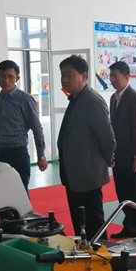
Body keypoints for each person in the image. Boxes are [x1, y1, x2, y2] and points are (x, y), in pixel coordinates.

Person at [57, 55, 116, 240]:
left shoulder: (92, 101)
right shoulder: (76, 99)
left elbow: (108, 139)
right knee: (80, 224)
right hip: (74, 176)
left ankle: (102, 255)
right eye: (62, 75)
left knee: (94, 225)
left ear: (84, 76)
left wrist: (105, 161)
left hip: (88, 175)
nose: (65, 80)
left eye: (69, 75)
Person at [0, 60, 48, 192]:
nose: (6, 81)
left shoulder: (25, 99)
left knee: (20, 192)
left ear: (17, 78)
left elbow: (37, 128)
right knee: (2, 192)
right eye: (2, 76)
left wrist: (41, 156)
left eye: (11, 77)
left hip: (18, 154)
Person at [108, 61, 136, 239]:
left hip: (132, 156)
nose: (112, 79)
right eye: (110, 76)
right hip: (118, 155)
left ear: (126, 77)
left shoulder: (134, 98)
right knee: (123, 194)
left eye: (115, 76)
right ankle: (129, 226)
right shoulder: (113, 98)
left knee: (135, 194)